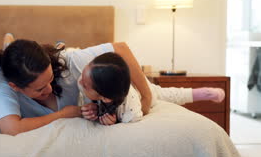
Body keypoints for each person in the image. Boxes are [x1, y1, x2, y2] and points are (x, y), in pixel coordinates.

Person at [0, 37, 153, 135]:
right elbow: (11, 128)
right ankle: (8, 41)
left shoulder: (68, 61)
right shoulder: (3, 84)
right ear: (16, 87)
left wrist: (147, 97)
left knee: (159, 93)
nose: (49, 89)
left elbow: (121, 48)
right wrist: (63, 114)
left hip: (120, 85)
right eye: (40, 89)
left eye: (51, 79)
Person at [78, 52, 226, 125]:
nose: (80, 81)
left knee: (169, 95)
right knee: (167, 93)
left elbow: (135, 116)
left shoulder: (131, 109)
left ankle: (204, 93)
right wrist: (94, 110)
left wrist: (114, 121)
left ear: (105, 97)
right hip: (125, 84)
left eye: (85, 84)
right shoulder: (87, 78)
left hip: (140, 92)